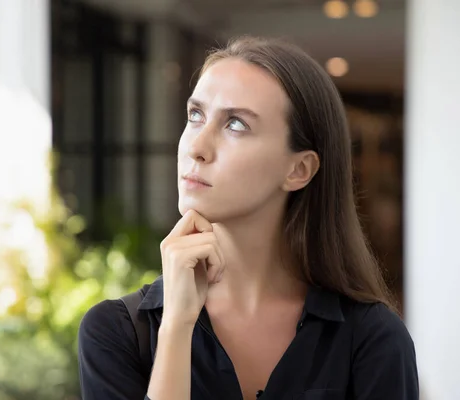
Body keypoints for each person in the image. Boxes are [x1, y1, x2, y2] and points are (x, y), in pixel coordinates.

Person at [78, 36, 418, 400]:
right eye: (196, 115)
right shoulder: (116, 332)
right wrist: (177, 326)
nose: (197, 147)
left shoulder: (372, 340)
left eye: (236, 124)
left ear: (299, 169)